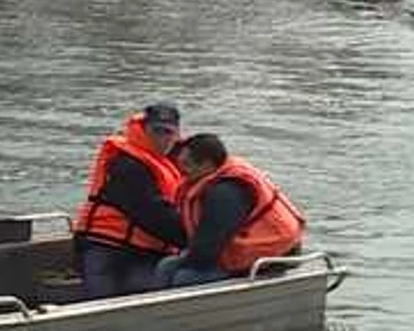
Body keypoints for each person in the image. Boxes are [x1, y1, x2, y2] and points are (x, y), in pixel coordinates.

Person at [155, 133, 306, 289]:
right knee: (167, 266)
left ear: (207, 165)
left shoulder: (225, 193)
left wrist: (186, 259)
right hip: (245, 248)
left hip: (273, 255)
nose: (181, 170)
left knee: (184, 277)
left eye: (186, 164)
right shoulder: (214, 175)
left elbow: (207, 250)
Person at [74, 103, 187, 299]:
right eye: (156, 131)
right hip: (107, 248)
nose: (162, 138)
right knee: (103, 305)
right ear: (143, 129)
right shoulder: (128, 164)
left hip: (143, 251)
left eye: (168, 132)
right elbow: (152, 213)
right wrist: (197, 239)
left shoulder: (172, 160)